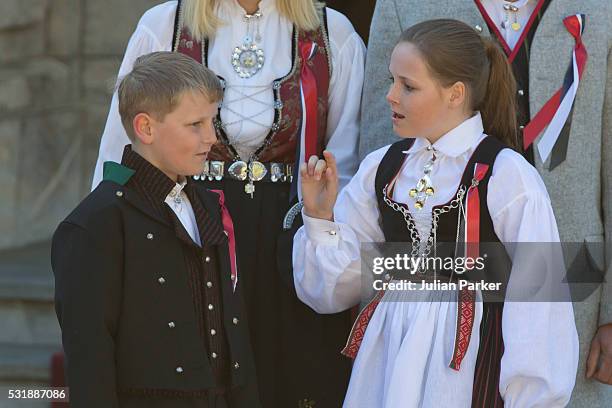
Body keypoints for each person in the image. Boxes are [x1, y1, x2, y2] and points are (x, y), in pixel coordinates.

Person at [91, 1, 365, 406]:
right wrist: (108, 238)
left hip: (292, 233)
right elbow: (123, 141)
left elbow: (344, 158)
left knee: (290, 378)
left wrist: (328, 244)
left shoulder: (332, 32)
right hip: (188, 227)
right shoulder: (165, 24)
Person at [293, 19, 579, 407]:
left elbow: (539, 298)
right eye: (392, 81)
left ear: (455, 94)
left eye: (408, 86)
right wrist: (320, 217)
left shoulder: (506, 174)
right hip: (388, 357)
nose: (391, 96)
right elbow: (332, 290)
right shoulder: (383, 167)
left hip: (467, 362)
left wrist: (532, 397)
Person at [360, 2, 612, 404]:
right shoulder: (403, 5)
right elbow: (384, 154)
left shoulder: (600, 9)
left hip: (577, 281)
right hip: (432, 315)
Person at [52, 51, 259, 408]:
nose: (211, 137)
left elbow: (233, 334)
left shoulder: (208, 205)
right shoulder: (96, 224)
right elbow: (90, 360)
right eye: (195, 125)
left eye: (212, 121)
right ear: (146, 128)